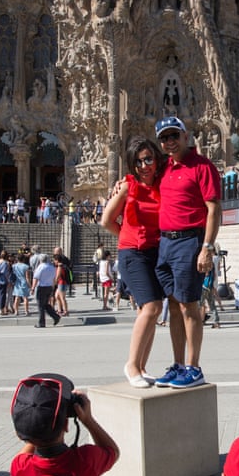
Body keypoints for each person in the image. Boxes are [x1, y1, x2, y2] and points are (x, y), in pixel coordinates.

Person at [152, 116, 221, 389]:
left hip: (188, 242)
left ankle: (194, 367)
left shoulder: (202, 166)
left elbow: (213, 209)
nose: (169, 142)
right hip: (165, 243)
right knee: (173, 307)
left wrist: (207, 247)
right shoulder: (165, 168)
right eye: (164, 138)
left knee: (189, 305)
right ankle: (178, 364)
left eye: (174, 136)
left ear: (185, 136)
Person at [102, 136, 166, 388]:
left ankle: (141, 366)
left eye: (149, 158)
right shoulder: (128, 187)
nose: (144, 165)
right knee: (150, 307)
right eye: (138, 161)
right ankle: (131, 364)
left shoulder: (161, 185)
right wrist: (128, 237)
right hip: (132, 253)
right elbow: (106, 220)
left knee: (153, 309)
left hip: (154, 251)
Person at [31, 254, 61, 328]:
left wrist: (33, 288)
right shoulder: (52, 267)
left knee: (40, 305)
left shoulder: (40, 267)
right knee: (45, 304)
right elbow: (54, 278)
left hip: (42, 287)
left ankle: (41, 323)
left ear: (40, 260)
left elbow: (36, 278)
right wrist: (53, 286)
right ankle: (55, 316)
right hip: (49, 287)